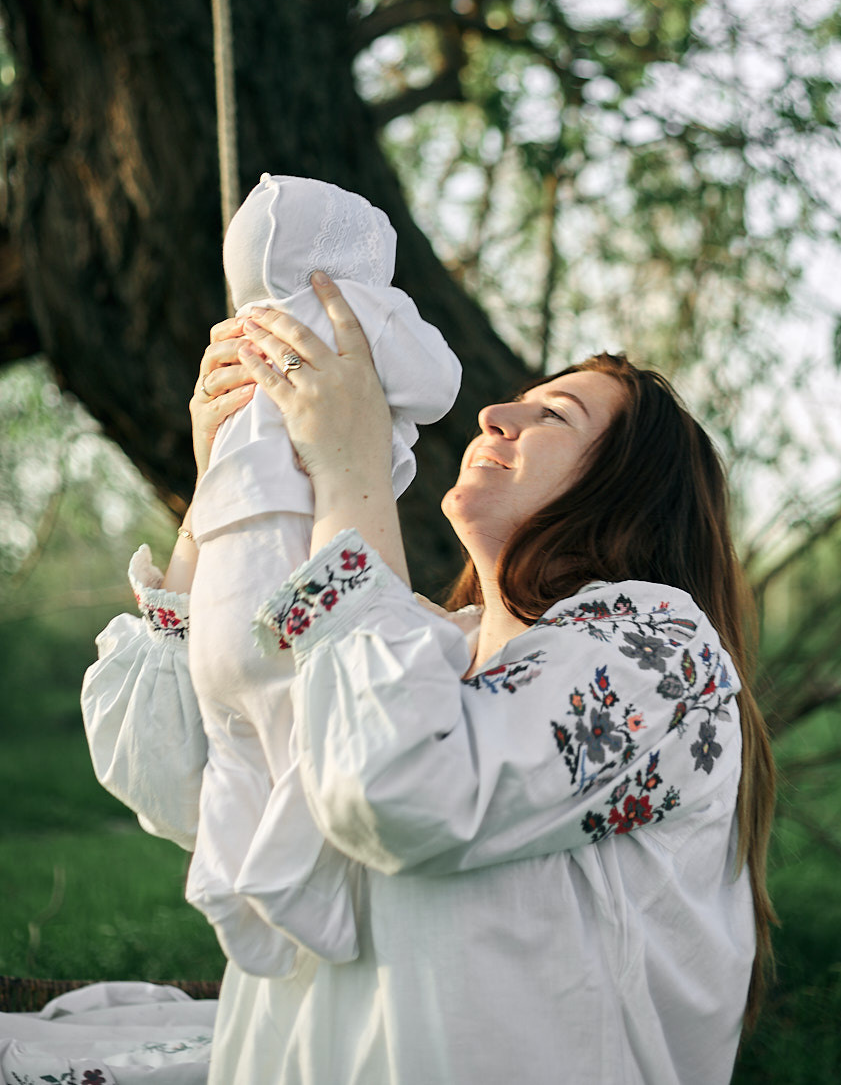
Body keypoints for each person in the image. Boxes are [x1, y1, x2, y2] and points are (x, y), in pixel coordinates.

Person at [82, 272, 776, 1085]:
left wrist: (351, 471)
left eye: (554, 414)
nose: (495, 414)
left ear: (630, 494)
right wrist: (225, 485)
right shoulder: (412, 645)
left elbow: (396, 789)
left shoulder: (662, 656)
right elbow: (172, 776)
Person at [165, 173, 460, 973]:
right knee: (312, 726)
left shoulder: (244, 340)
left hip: (217, 584)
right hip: (283, 573)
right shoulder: (345, 308)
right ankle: (299, 887)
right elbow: (438, 385)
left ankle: (222, 879)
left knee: (236, 748)